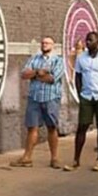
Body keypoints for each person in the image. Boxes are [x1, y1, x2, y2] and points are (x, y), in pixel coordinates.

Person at [63, 32, 98, 171]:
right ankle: (76, 160)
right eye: (87, 40)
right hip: (86, 96)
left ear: (97, 42)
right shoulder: (81, 58)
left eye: (90, 40)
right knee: (82, 127)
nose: (87, 42)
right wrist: (80, 94)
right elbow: (78, 77)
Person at [11, 37, 65, 168]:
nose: (44, 45)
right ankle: (27, 157)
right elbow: (24, 74)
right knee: (32, 127)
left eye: (47, 43)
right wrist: (38, 72)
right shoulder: (34, 59)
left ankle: (54, 158)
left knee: (52, 127)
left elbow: (52, 78)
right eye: (43, 43)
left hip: (50, 98)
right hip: (34, 98)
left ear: (53, 45)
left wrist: (36, 76)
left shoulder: (58, 61)